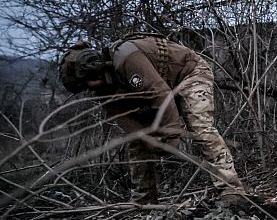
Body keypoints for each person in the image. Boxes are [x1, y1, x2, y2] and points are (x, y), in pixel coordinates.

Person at [58, 33, 248, 205]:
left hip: (189, 73)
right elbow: (127, 122)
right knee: (137, 142)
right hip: (158, 88)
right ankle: (144, 200)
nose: (91, 87)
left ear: (95, 69)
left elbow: (161, 95)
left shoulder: (126, 57)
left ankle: (231, 190)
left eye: (89, 82)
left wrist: (170, 139)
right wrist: (148, 138)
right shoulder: (102, 89)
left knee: (200, 128)